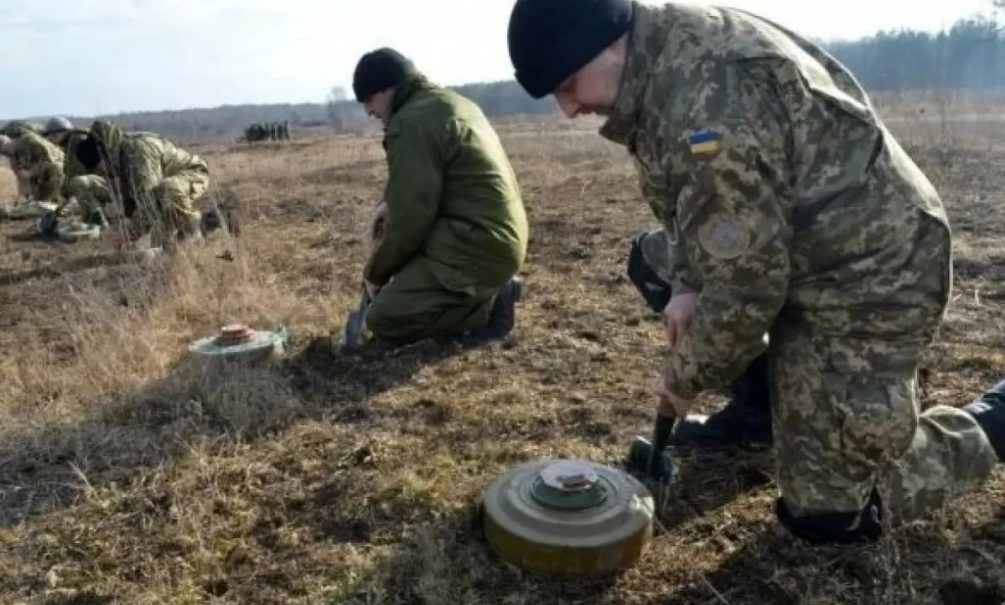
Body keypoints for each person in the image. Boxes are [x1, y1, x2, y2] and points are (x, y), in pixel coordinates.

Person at [507, 0, 1004, 544]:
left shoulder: (709, 96)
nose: (568, 110)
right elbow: (701, 211)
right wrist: (687, 284)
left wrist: (683, 379)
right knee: (654, 261)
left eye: (570, 85)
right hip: (792, 242)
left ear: (609, 44)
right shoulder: (658, 58)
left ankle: (994, 416)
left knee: (827, 515)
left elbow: (747, 289)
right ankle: (763, 411)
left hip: (867, 272)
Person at [351, 48, 529, 344]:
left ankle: (490, 305)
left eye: (369, 99)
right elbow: (414, 190)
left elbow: (410, 218)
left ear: (389, 88)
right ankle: (487, 289)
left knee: (384, 318)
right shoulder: (450, 102)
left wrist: (376, 274)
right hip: (493, 236)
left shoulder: (410, 123)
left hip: (476, 245)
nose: (368, 110)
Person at [71, 120, 209, 248]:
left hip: (191, 174)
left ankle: (192, 230)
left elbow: (150, 202)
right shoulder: (117, 157)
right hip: (154, 189)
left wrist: (127, 234)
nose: (102, 172)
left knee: (168, 189)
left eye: (101, 168)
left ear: (105, 156)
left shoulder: (138, 153)